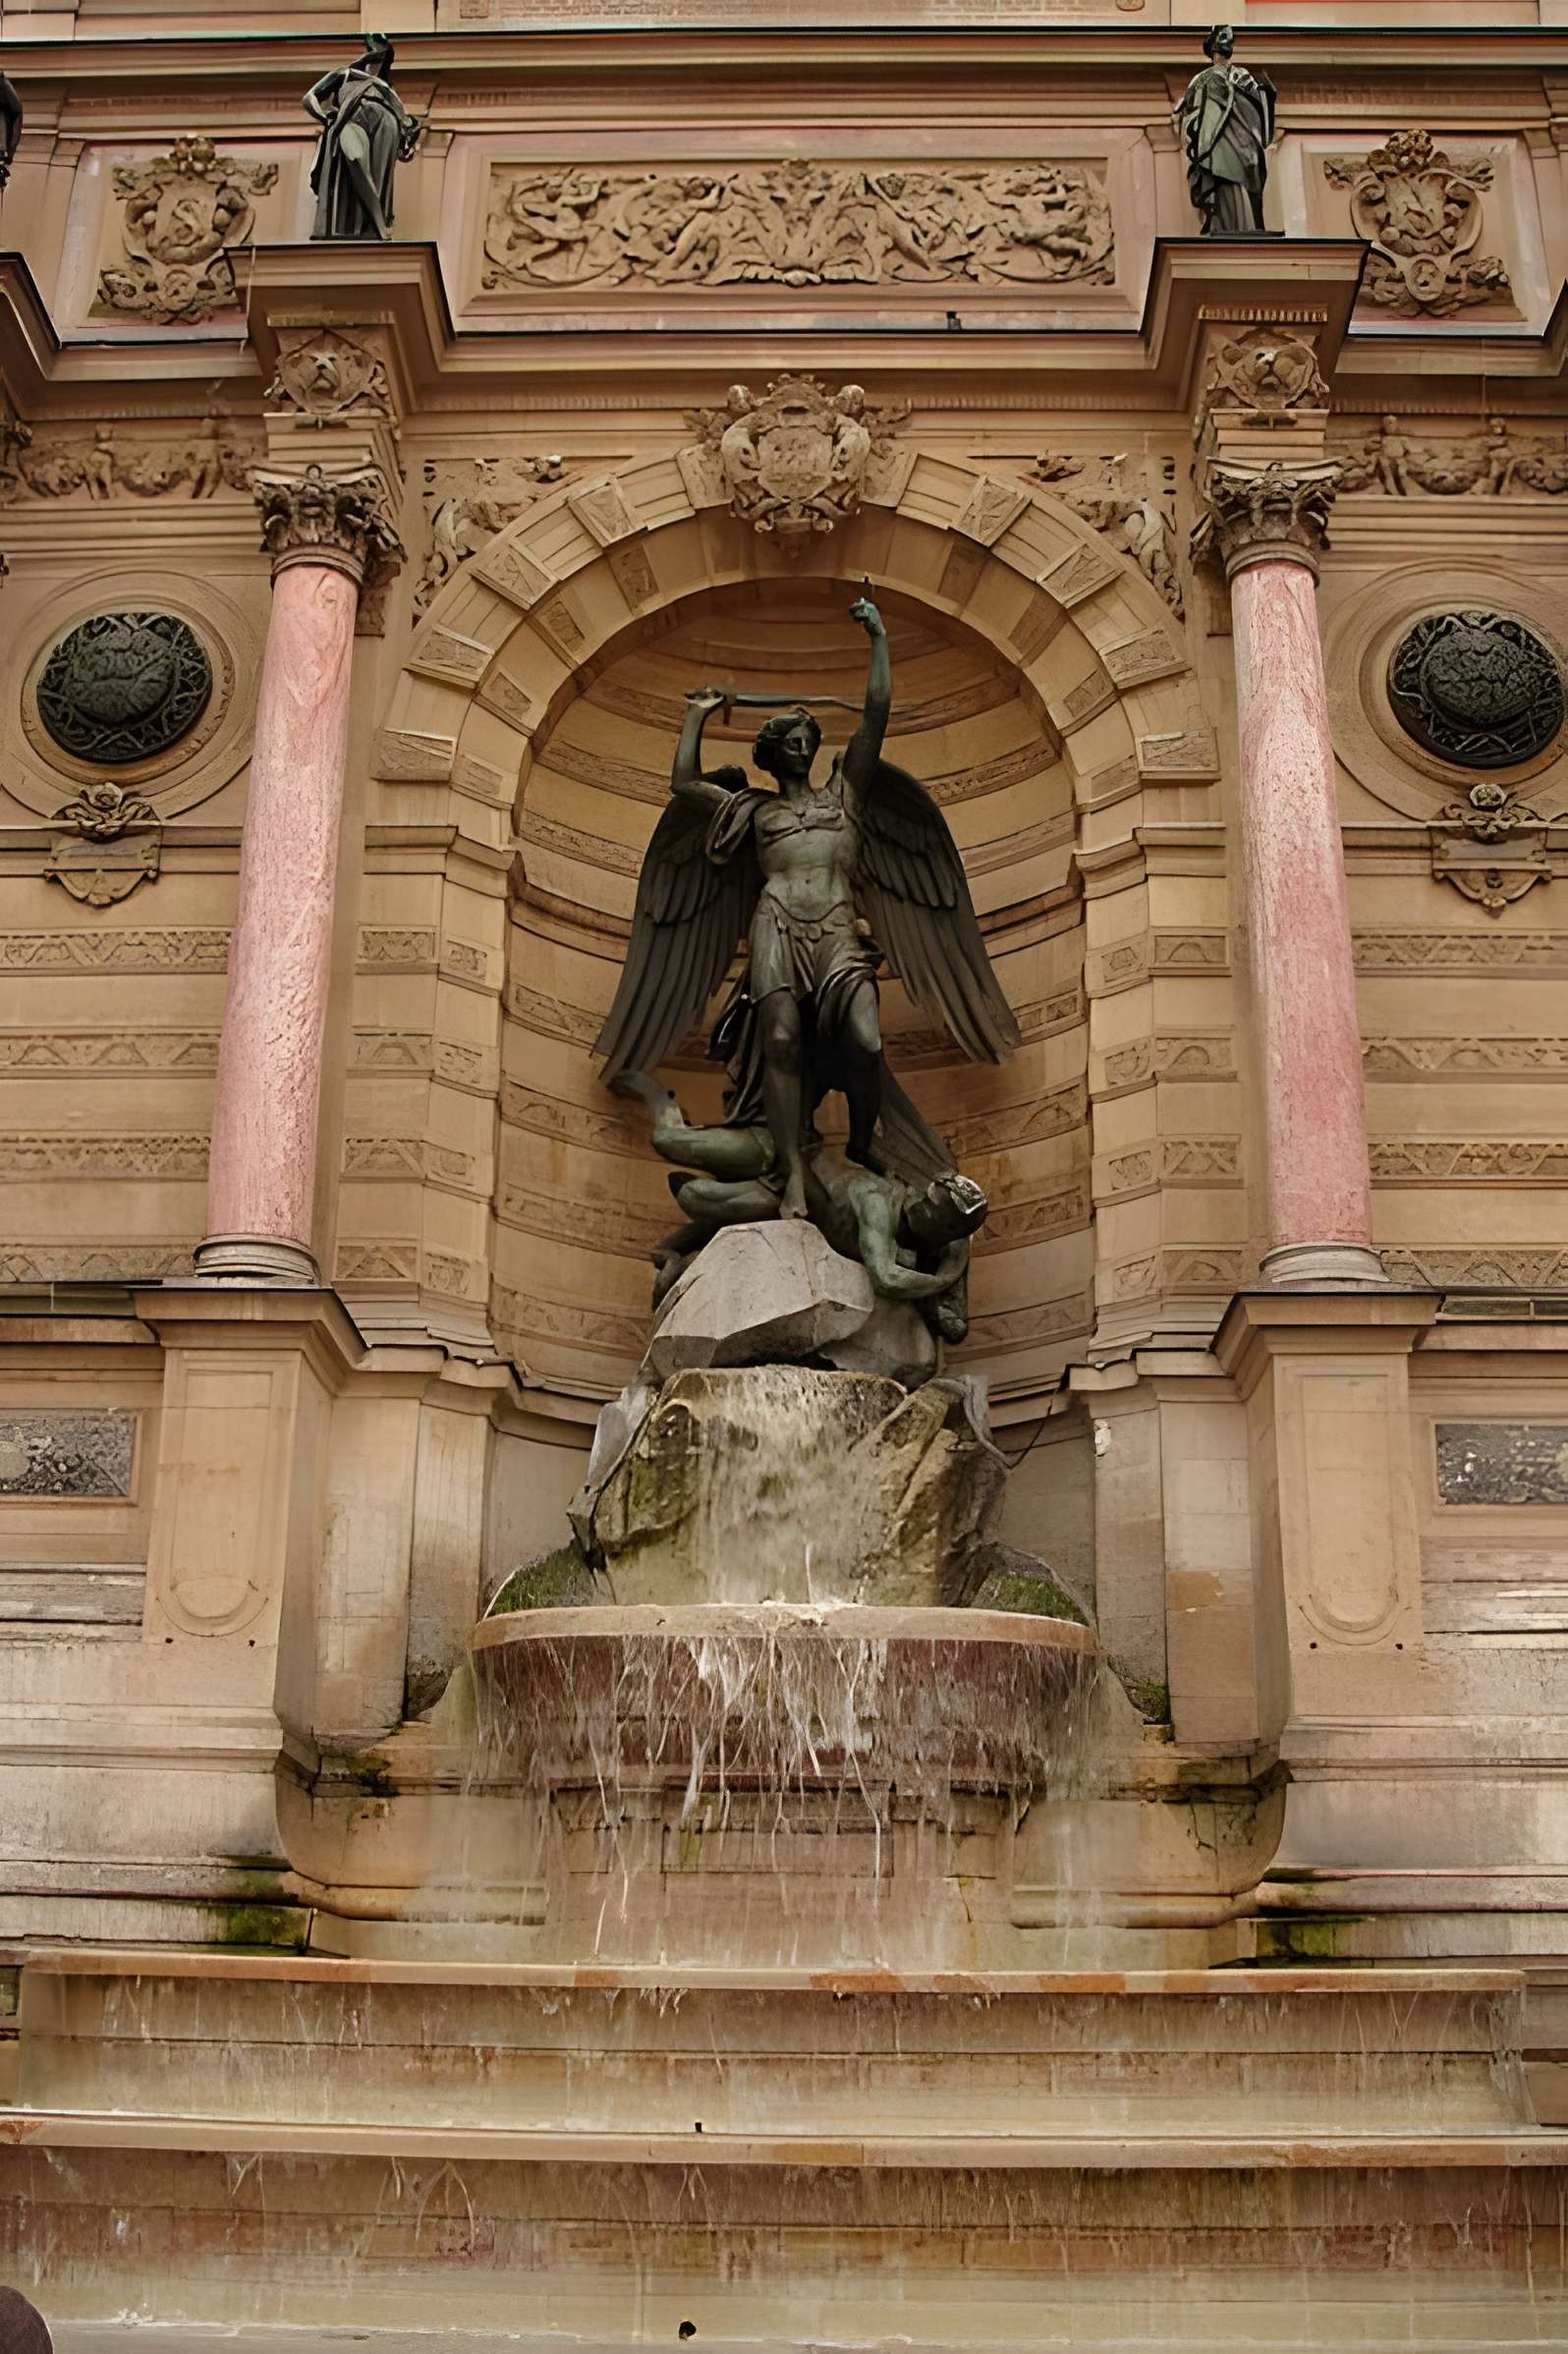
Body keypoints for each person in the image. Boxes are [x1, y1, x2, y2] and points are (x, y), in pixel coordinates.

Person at [305, 33, 420, 243]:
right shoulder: (345, 74)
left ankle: (372, 230)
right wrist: (324, 116)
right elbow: (309, 97)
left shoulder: (387, 90)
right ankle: (378, 225)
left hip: (386, 127)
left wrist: (409, 136)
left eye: (382, 57)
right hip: (350, 122)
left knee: (378, 181)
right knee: (355, 156)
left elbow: (407, 128)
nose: (377, 61)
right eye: (375, 54)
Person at [1175, 26, 1276, 238]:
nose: (1227, 41)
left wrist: (1266, 95)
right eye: (1222, 36)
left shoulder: (1242, 75)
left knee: (1240, 189)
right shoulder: (1202, 79)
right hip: (1218, 146)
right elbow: (1192, 114)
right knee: (1226, 187)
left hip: (1241, 143)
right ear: (1211, 43)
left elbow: (1255, 106)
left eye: (1230, 38)